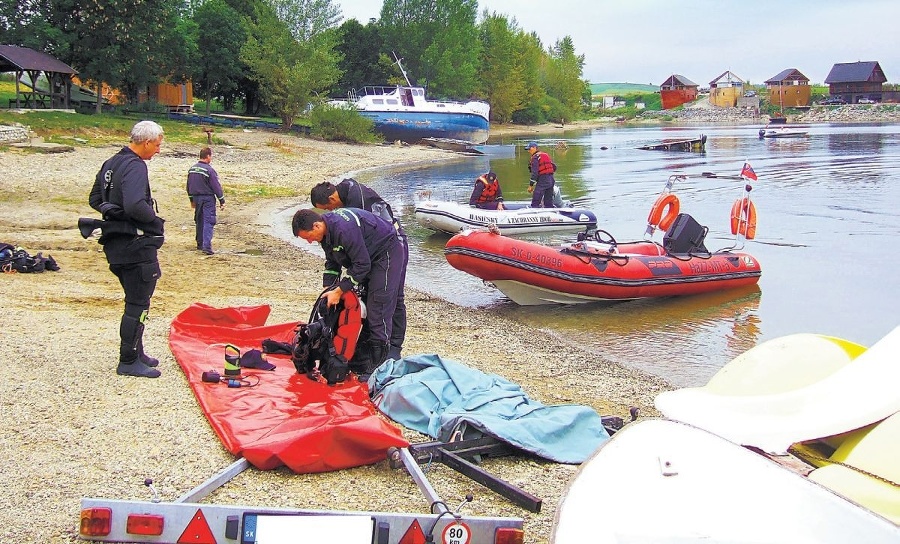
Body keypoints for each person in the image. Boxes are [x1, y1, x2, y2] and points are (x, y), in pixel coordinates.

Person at [88, 120, 166, 378]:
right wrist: (156, 223)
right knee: (137, 304)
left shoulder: (111, 163)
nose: (157, 150)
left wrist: (110, 210)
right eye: (156, 145)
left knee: (135, 300)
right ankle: (128, 359)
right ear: (145, 142)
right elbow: (134, 205)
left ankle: (137, 351)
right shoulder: (135, 166)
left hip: (116, 246)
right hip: (135, 246)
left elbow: (95, 199)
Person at [292, 207, 406, 377]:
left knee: (378, 306)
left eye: (308, 237)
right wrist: (329, 287)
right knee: (367, 305)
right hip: (368, 255)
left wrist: (340, 290)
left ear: (316, 226)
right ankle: (364, 358)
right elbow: (332, 262)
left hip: (386, 252)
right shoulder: (326, 233)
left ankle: (380, 365)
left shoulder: (344, 230)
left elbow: (362, 265)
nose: (309, 242)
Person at [310, 179, 407, 360]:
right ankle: (369, 346)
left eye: (327, 208)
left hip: (393, 242)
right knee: (370, 297)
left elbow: (361, 255)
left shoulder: (356, 203)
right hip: (371, 249)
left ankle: (393, 348)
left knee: (392, 297)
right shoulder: (343, 199)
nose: (329, 212)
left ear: (332, 198)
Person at [186, 147, 225, 255]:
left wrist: (191, 199)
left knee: (199, 220)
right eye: (210, 156)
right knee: (208, 221)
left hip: (196, 198)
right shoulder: (209, 170)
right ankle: (206, 246)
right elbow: (216, 186)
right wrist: (221, 200)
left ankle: (199, 243)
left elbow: (188, 185)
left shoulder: (192, 169)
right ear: (208, 156)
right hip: (207, 198)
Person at [525, 141, 557, 208]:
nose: (528, 151)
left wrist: (530, 186)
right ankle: (549, 209)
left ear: (534, 148)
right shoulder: (545, 155)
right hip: (551, 179)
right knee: (548, 201)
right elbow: (554, 167)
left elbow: (535, 173)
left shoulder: (535, 158)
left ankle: (534, 210)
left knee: (536, 199)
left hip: (543, 180)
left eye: (529, 149)